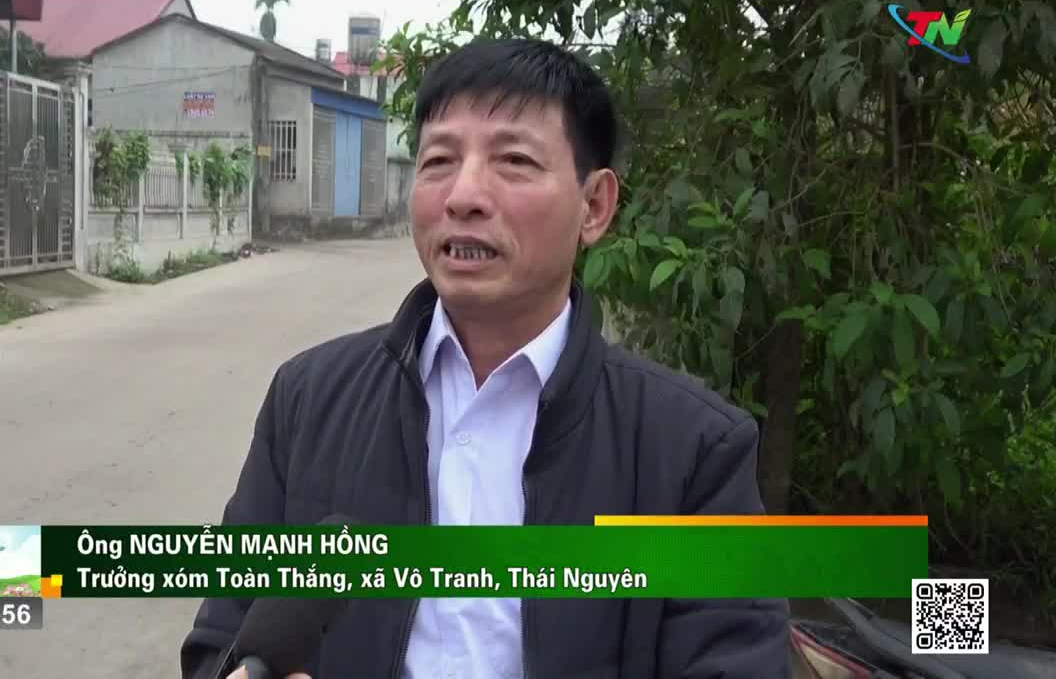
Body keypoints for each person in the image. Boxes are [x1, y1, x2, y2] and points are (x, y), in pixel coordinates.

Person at [181, 37, 791, 679]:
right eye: (439, 159)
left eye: (514, 160)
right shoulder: (307, 401)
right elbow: (221, 637)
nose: (463, 195)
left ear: (595, 206)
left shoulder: (693, 451)